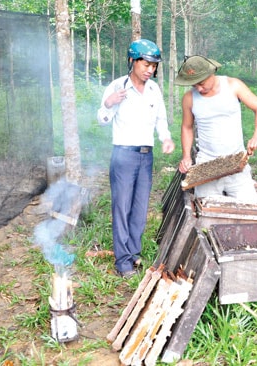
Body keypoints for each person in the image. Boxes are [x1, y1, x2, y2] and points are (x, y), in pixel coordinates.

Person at [97, 39, 175, 279]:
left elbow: (161, 119)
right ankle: (122, 262)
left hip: (146, 155)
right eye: (146, 64)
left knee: (140, 208)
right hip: (123, 155)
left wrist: (166, 138)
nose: (150, 70)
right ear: (132, 61)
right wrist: (108, 105)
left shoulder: (154, 89)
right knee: (122, 207)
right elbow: (102, 119)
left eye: (153, 65)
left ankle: (133, 252)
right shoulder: (117, 86)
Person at [175, 55, 257, 203]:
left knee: (250, 208)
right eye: (194, 85)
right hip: (206, 164)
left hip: (236, 161)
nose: (199, 88)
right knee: (206, 210)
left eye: (201, 83)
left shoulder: (233, 85)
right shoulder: (189, 98)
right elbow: (186, 127)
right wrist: (186, 156)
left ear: (211, 73)